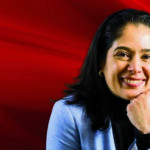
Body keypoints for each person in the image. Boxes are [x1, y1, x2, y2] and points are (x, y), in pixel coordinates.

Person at [46, 9, 150, 150]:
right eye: (123, 54)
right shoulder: (69, 114)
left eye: (147, 57)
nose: (136, 68)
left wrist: (146, 132)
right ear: (101, 61)